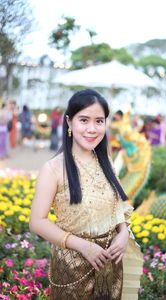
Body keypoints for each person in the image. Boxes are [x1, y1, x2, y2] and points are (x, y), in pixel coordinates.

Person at [29, 89, 142, 300]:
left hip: (111, 262)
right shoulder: (53, 168)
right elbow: (37, 222)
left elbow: (117, 204)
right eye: (84, 120)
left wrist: (123, 231)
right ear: (69, 123)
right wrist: (83, 246)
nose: (92, 129)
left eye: (99, 121)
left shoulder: (105, 159)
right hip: (73, 266)